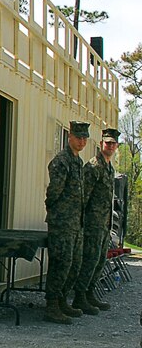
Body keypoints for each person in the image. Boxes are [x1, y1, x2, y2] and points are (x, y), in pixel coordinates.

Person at [43, 121, 90, 324]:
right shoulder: (62, 161)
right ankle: (52, 305)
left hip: (75, 223)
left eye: (84, 138)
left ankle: (62, 300)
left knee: (74, 264)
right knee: (61, 263)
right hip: (62, 222)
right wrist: (56, 212)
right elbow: (54, 192)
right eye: (78, 137)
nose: (81, 141)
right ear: (69, 137)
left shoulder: (78, 162)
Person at [77, 127, 120, 313]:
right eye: (107, 143)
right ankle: (79, 297)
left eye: (113, 143)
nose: (110, 146)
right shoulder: (93, 166)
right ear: (101, 143)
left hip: (104, 224)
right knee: (89, 260)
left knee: (99, 261)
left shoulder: (109, 168)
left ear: (116, 146)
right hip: (92, 224)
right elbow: (83, 197)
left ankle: (89, 294)